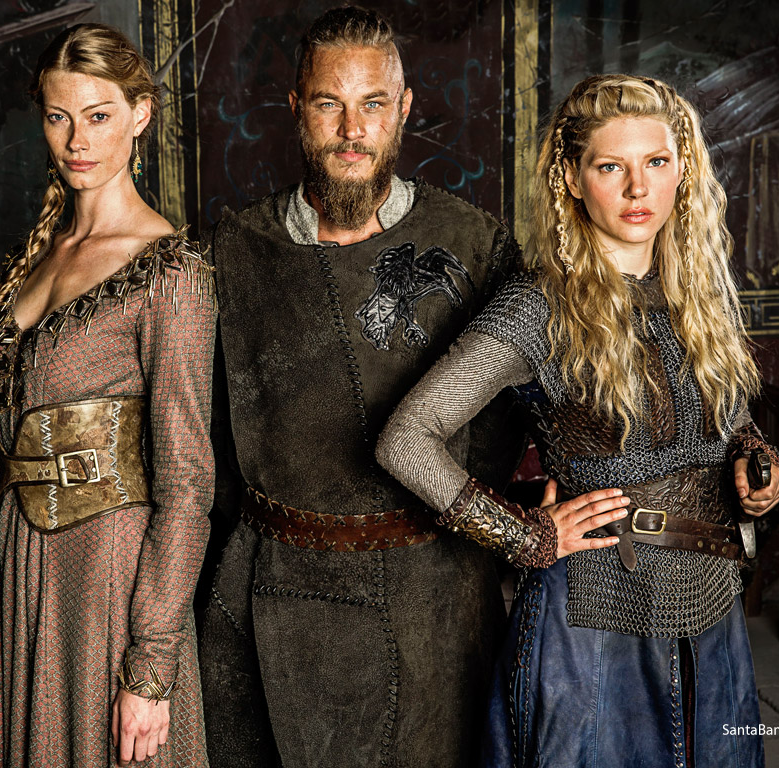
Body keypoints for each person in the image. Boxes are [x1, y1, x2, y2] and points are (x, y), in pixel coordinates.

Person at [377, 74, 779, 768]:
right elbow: (406, 439)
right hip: (594, 610)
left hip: (711, 602)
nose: (638, 188)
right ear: (571, 177)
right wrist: (522, 534)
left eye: (656, 162)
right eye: (611, 167)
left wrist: (754, 467)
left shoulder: (700, 295)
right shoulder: (538, 307)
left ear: (682, 170)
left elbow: (731, 421)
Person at [198, 7, 524, 767]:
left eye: (373, 104)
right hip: (272, 591)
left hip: (434, 594)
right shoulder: (231, 252)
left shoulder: (473, 243)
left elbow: (513, 420)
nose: (352, 130)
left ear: (403, 109)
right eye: (329, 103)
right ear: (296, 108)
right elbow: (200, 438)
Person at [0, 23, 216, 767]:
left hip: (106, 585)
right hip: (10, 574)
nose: (77, 140)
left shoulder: (170, 273)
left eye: (98, 115)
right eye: (59, 117)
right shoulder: (35, 259)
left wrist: (150, 664)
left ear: (140, 114)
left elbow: (187, 484)